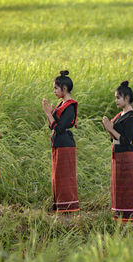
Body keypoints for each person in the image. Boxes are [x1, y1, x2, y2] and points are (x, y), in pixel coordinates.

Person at [42, 70, 80, 212]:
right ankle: (60, 207)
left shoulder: (69, 106)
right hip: (58, 143)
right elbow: (51, 125)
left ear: (64, 89)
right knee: (57, 177)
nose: (54, 91)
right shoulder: (60, 104)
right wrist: (49, 115)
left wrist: (48, 114)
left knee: (65, 177)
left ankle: (69, 209)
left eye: (56, 88)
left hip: (65, 144)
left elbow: (59, 128)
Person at [103, 81, 133, 222]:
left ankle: (129, 217)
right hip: (117, 153)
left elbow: (126, 139)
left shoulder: (130, 117)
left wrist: (110, 128)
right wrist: (109, 128)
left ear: (127, 98)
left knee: (126, 186)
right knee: (118, 186)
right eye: (116, 97)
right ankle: (118, 215)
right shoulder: (120, 115)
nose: (116, 100)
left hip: (126, 154)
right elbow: (115, 136)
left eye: (118, 97)